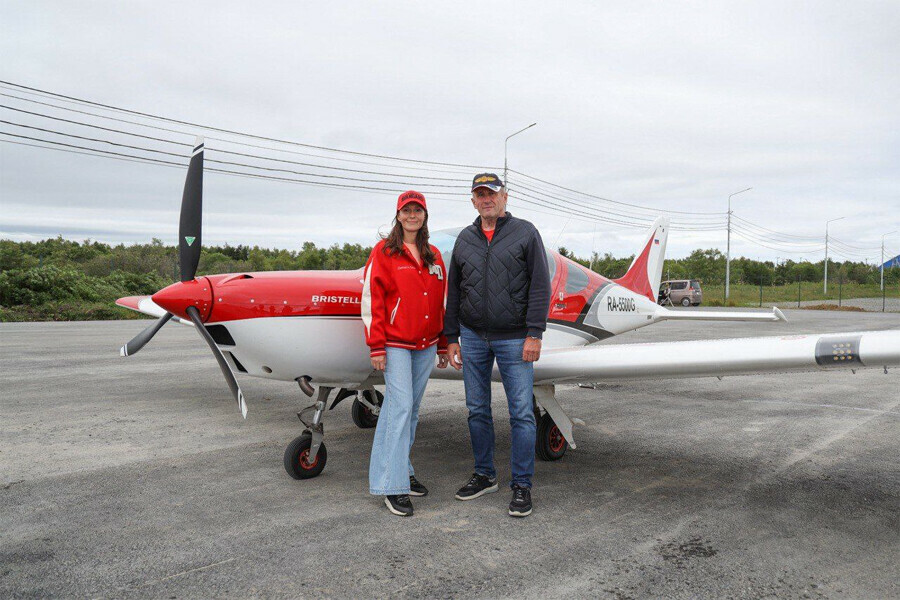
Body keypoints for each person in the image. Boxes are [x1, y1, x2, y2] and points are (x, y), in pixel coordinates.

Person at [443, 173, 551, 518]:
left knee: (521, 412)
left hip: (515, 337)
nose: (486, 199)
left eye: (491, 193)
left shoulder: (525, 232)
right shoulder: (465, 238)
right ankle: (485, 474)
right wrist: (451, 337)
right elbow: (455, 291)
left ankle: (522, 485)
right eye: (480, 194)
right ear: (473, 201)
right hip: (472, 336)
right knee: (477, 409)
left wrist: (535, 333)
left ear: (505, 197)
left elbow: (539, 286)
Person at [361, 190, 449, 517]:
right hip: (396, 344)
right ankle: (390, 485)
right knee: (398, 408)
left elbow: (441, 302)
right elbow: (373, 302)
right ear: (398, 215)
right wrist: (376, 346)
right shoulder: (385, 252)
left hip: (425, 346)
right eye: (407, 210)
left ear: (424, 216)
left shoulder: (434, 255)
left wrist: (441, 343)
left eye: (418, 210)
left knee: (411, 411)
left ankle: (404, 470)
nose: (412, 215)